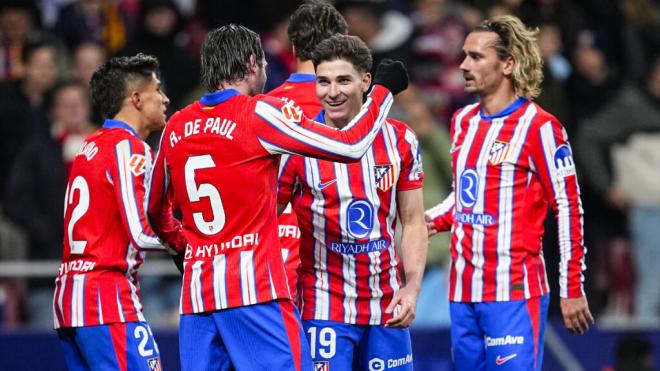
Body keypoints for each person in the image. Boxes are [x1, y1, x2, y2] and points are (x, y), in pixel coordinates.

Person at [146, 24, 407, 371]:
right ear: (253, 63)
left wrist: (181, 246)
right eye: (266, 64)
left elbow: (154, 210)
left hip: (197, 298)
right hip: (256, 292)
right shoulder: (257, 113)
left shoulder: (176, 125)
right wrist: (383, 91)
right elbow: (350, 146)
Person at [424, 15, 593, 370]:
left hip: (513, 293)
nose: (463, 65)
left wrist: (572, 286)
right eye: (463, 56)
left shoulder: (541, 127)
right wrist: (425, 221)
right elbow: (466, 198)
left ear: (508, 64)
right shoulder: (462, 122)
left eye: (475, 57)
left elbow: (568, 206)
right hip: (463, 292)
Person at [277, 34, 427, 370]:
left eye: (343, 80)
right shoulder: (299, 143)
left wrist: (412, 286)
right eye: (323, 82)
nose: (332, 93)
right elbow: (267, 217)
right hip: (324, 308)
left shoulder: (401, 139)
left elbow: (414, 219)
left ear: (366, 81)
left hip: (387, 306)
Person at [53, 54, 186, 371]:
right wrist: (191, 244)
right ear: (137, 98)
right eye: (158, 90)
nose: (166, 98)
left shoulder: (91, 145)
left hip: (70, 297)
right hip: (105, 298)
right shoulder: (129, 148)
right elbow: (139, 231)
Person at [267, 0, 348, 301]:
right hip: (335, 261)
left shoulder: (263, 108)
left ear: (292, 45)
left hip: (273, 260)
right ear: (341, 47)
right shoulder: (350, 110)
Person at [577, 55, 660, 321]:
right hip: (647, 206)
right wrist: (607, 186)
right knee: (650, 285)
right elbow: (587, 136)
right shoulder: (631, 105)